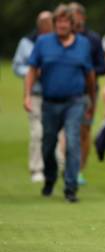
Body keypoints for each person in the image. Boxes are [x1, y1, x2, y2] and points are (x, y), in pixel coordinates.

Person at [24, 4, 96, 203]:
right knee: (48, 144)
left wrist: (92, 102)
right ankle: (50, 178)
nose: (62, 25)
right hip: (50, 102)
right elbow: (31, 70)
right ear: (54, 24)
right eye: (59, 21)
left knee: (73, 142)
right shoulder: (43, 43)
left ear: (72, 25)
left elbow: (90, 76)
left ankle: (70, 188)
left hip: (75, 101)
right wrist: (27, 95)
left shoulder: (82, 44)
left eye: (66, 21)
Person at [12, 11, 53, 182]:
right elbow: (18, 66)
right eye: (44, 22)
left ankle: (55, 166)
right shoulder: (27, 43)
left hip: (55, 94)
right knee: (37, 132)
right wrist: (32, 73)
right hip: (36, 93)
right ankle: (37, 168)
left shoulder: (59, 41)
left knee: (56, 134)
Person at [69, 2, 105, 185]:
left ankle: (78, 170)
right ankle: (67, 164)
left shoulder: (93, 39)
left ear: (82, 17)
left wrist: (86, 70)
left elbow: (103, 67)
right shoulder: (62, 38)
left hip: (87, 92)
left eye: (76, 16)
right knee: (68, 132)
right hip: (65, 92)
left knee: (84, 132)